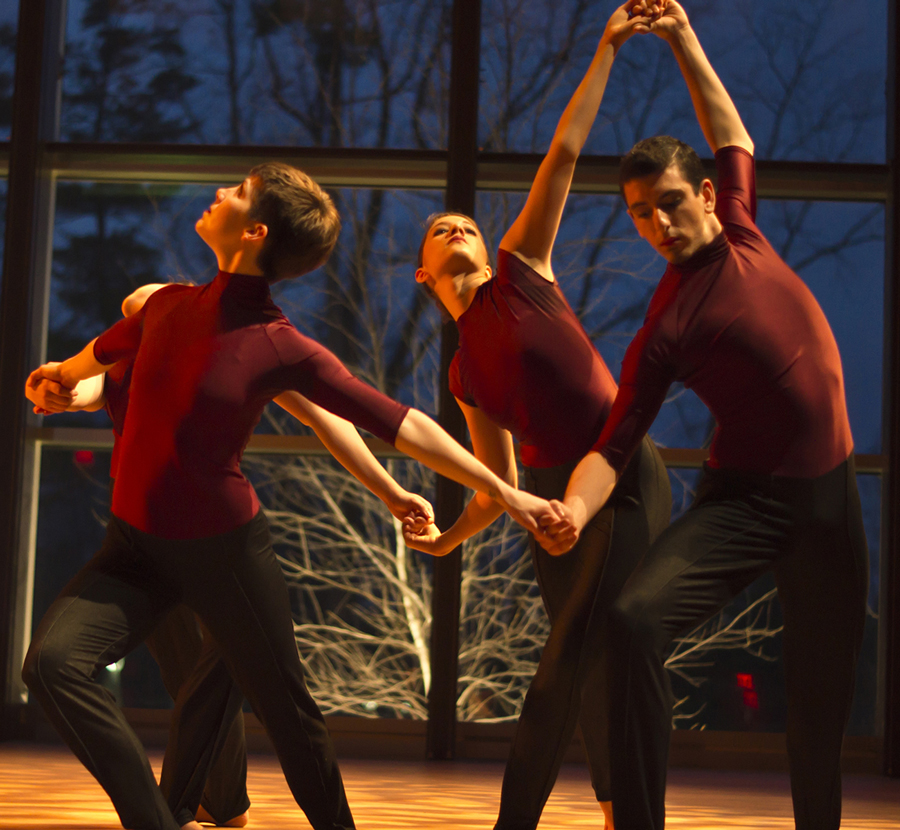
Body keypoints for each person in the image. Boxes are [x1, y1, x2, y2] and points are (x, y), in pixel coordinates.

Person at [22, 161, 567, 830]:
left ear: (252, 232)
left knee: (290, 719)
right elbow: (88, 366)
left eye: (238, 191)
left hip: (225, 556)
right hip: (134, 545)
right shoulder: (163, 305)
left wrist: (505, 494)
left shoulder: (278, 344)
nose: (220, 190)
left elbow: (400, 423)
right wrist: (53, 380)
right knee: (51, 665)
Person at [544, 4, 870, 828]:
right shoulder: (665, 328)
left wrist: (685, 40)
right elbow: (615, 442)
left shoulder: (746, 230)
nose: (658, 224)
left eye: (670, 203)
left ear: (710, 199)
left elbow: (732, 133)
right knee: (631, 618)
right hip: (744, 504)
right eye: (639, 214)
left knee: (821, 707)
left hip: (830, 504)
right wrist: (573, 511)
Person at [26, 281, 438, 829]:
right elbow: (80, 385)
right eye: (139, 300)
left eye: (161, 293)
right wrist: (54, 388)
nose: (146, 299)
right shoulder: (126, 351)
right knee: (185, 674)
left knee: (235, 674)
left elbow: (326, 416)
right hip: (144, 541)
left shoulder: (224, 341)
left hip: (217, 539)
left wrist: (390, 491)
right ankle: (206, 807)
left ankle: (219, 805)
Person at [403, 5, 671, 829]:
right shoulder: (459, 372)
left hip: (617, 477)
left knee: (567, 660)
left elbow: (563, 149)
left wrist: (606, 47)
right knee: (595, 663)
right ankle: (621, 805)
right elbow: (495, 485)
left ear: (489, 250)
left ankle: (516, 817)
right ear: (424, 278)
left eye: (466, 223)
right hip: (548, 506)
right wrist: (446, 542)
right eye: (438, 230)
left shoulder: (522, 270)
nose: (454, 224)